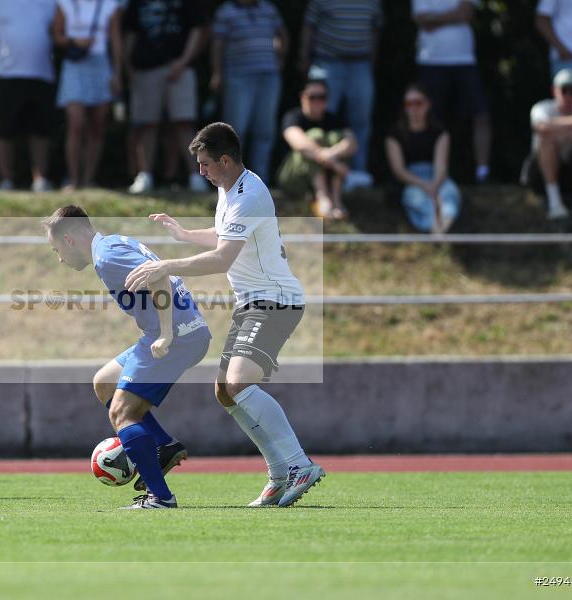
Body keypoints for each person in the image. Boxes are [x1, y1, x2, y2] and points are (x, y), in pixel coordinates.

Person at [125, 123, 324, 508]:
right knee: (225, 391)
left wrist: (167, 266)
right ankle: (280, 473)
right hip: (252, 303)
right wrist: (184, 235)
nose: (200, 171)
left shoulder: (249, 194)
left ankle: (299, 464)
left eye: (205, 164)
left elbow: (222, 258)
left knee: (237, 382)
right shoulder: (229, 190)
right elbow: (224, 237)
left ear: (226, 160)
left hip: (274, 301)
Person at [44, 205, 211, 508]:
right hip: (181, 331)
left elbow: (159, 277)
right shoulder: (113, 243)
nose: (59, 258)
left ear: (69, 240)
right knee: (105, 382)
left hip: (177, 336)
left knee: (122, 413)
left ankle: (160, 497)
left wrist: (166, 333)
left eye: (57, 249)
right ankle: (162, 446)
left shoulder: (108, 256)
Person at [123, 0, 208, 194]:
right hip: (144, 68)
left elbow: (199, 29)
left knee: (184, 122)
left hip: (181, 67)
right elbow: (130, 33)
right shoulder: (137, 4)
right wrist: (128, 67)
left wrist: (184, 61)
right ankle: (144, 175)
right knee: (146, 124)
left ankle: (196, 176)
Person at [299, 0, 381, 187]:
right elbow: (308, 26)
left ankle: (358, 176)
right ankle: (321, 176)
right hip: (327, 62)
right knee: (322, 121)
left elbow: (375, 29)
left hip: (360, 64)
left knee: (360, 123)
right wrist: (304, 57)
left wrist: (372, 61)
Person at [412, 0, 491, 183]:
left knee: (480, 115)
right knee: (429, 118)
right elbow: (421, 20)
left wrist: (436, 19)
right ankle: (429, 169)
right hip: (430, 61)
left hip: (464, 60)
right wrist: (453, 15)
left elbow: (466, 14)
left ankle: (482, 172)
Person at [210, 0, 287, 185]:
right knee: (235, 133)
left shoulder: (269, 9)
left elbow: (281, 34)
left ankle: (261, 180)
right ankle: (232, 181)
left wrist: (280, 56)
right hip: (238, 77)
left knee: (264, 131)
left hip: (268, 77)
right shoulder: (226, 12)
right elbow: (217, 45)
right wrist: (217, 73)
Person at [0, 0, 56, 192]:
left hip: (42, 72)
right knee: (4, 128)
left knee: (41, 129)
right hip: (5, 71)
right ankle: (6, 179)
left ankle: (40, 179)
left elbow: (56, 29)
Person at [53, 0, 122, 191]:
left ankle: (88, 179)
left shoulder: (110, 5)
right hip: (75, 65)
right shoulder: (64, 3)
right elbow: (56, 35)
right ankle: (73, 179)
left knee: (97, 126)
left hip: (101, 65)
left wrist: (117, 73)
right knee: (76, 124)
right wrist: (74, 41)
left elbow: (116, 40)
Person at [525, 68, 572, 219]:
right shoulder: (542, 108)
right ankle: (555, 203)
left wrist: (558, 129)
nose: (568, 95)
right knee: (546, 142)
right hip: (540, 174)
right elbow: (542, 129)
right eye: (564, 90)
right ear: (554, 90)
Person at [385, 84, 461, 233]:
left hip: (436, 177)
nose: (413, 108)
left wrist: (434, 185)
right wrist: (424, 185)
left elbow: (441, 167)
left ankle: (443, 229)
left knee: (449, 193)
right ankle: (435, 231)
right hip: (411, 179)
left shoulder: (440, 132)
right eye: (409, 104)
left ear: (428, 104)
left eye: (418, 103)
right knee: (416, 198)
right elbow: (399, 171)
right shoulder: (394, 135)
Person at [278, 77, 357, 219]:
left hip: (327, 174)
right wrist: (335, 163)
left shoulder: (333, 118)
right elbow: (298, 143)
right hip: (294, 177)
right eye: (312, 97)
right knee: (315, 135)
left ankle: (336, 199)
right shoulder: (293, 116)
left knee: (336, 137)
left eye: (322, 97)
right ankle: (323, 197)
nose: (317, 101)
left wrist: (331, 153)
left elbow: (351, 143)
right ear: (303, 97)